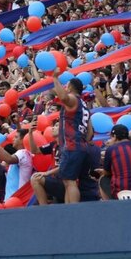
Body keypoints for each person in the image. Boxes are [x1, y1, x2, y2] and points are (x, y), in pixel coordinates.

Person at [52, 70, 91, 203]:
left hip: (72, 145)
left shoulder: (73, 99)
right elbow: (90, 133)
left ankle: (73, 211)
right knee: (68, 181)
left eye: (66, 86)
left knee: (70, 181)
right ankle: (69, 210)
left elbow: (63, 98)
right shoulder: (85, 106)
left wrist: (55, 78)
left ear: (69, 87)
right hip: (81, 146)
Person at [99, 125, 131, 199]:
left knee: (103, 178)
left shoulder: (112, 149)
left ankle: (109, 207)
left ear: (114, 136)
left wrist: (102, 172)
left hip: (122, 192)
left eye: (111, 137)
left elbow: (107, 172)